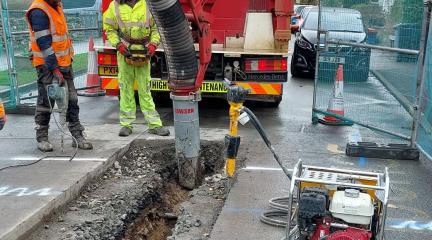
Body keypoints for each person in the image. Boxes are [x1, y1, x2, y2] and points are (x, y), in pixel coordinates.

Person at [26, 0, 93, 152]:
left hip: (64, 63)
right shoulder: (38, 10)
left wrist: (65, 63)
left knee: (72, 99)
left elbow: (61, 37)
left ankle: (77, 136)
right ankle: (42, 137)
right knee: (46, 101)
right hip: (47, 65)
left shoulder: (57, 5)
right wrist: (54, 69)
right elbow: (44, 43)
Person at [103, 0, 170, 137]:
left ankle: (154, 124)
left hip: (144, 54)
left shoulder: (148, 5)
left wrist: (152, 45)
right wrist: (119, 46)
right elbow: (110, 30)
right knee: (126, 89)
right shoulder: (114, 6)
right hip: (124, 54)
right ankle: (126, 125)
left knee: (145, 89)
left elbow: (157, 29)